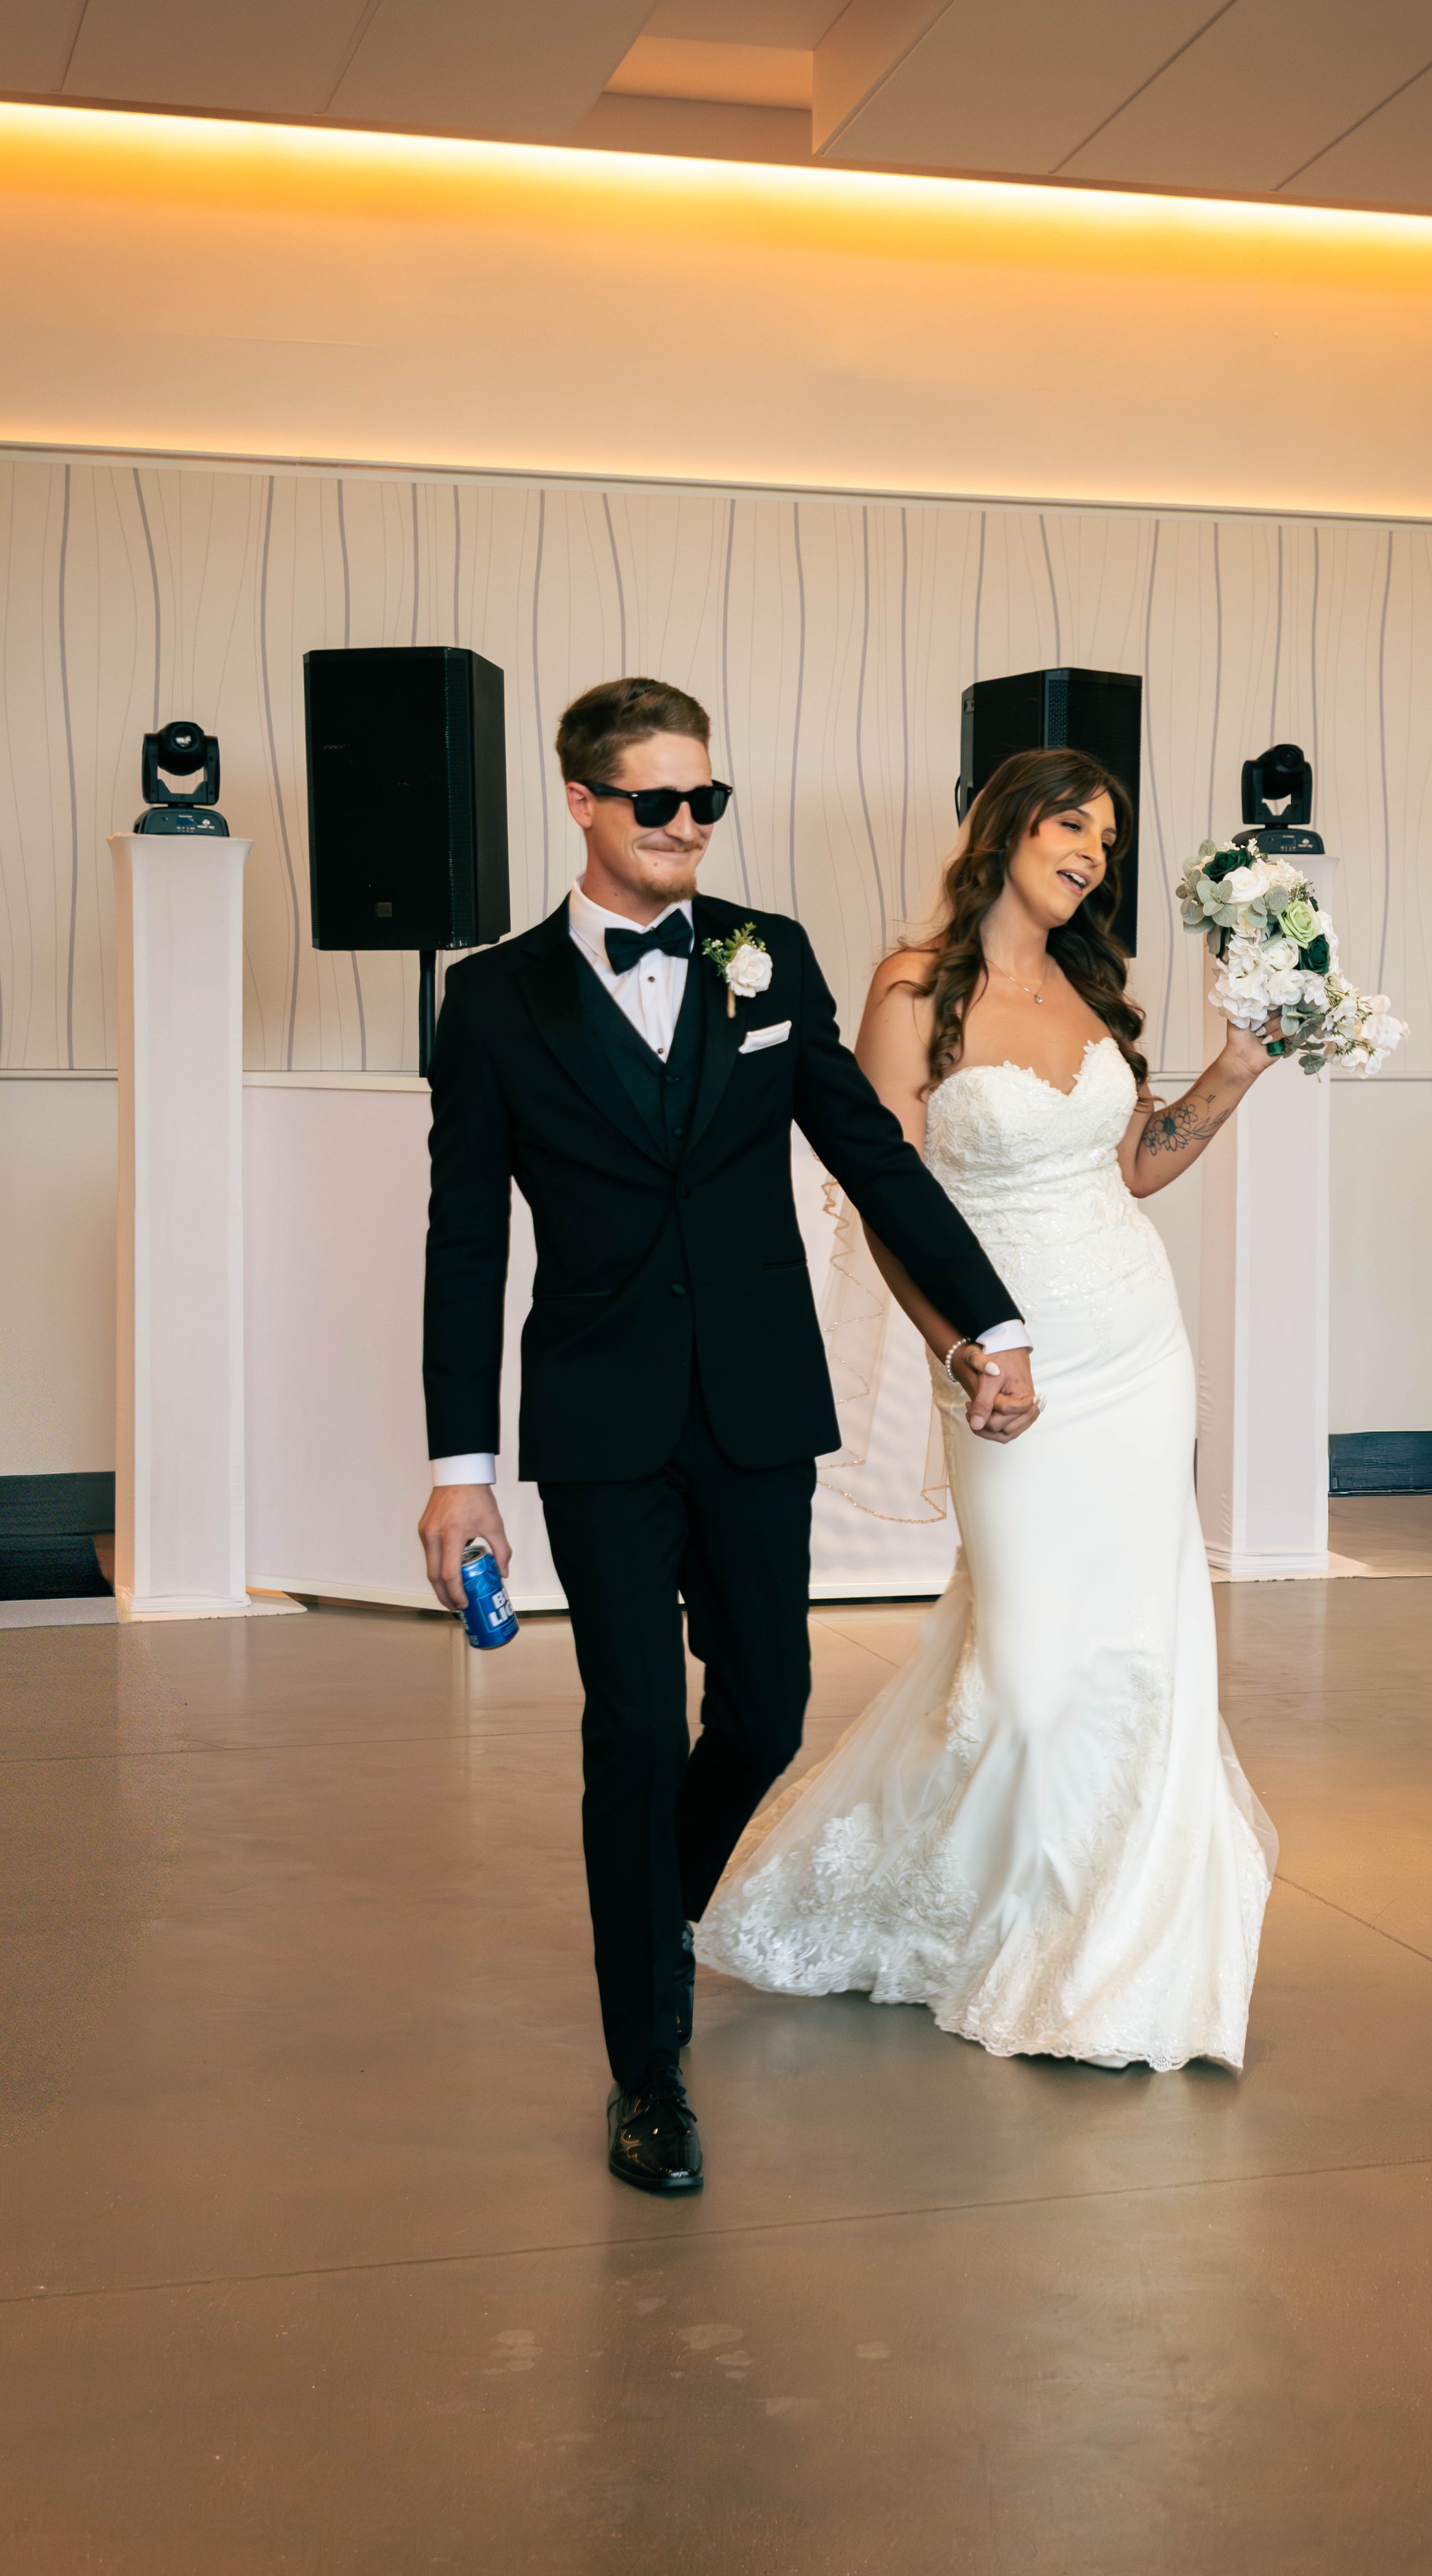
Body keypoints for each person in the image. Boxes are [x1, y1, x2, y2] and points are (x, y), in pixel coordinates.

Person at [416, 677, 1040, 2194]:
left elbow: (867, 1153)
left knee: (761, 1713)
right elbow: (462, 1244)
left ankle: (658, 1919)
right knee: (630, 1730)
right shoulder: (496, 1001)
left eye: (707, 801)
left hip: (756, 1407)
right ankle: (648, 2071)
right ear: (581, 804)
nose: (688, 826)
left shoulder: (769, 956)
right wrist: (459, 1474)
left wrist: (989, 1322)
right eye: (657, 803)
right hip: (603, 1420)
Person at [697, 748, 1281, 2071]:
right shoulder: (913, 989)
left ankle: (1107, 1934)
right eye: (1074, 824)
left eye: (1109, 837)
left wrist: (1235, 1073)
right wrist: (960, 1346)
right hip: (1008, 1362)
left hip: (1139, 1348)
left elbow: (1130, 1165)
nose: (1093, 852)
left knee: (1140, 1645)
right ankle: (962, 1903)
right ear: (1008, 828)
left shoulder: (1089, 991)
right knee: (1023, 1673)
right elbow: (875, 1188)